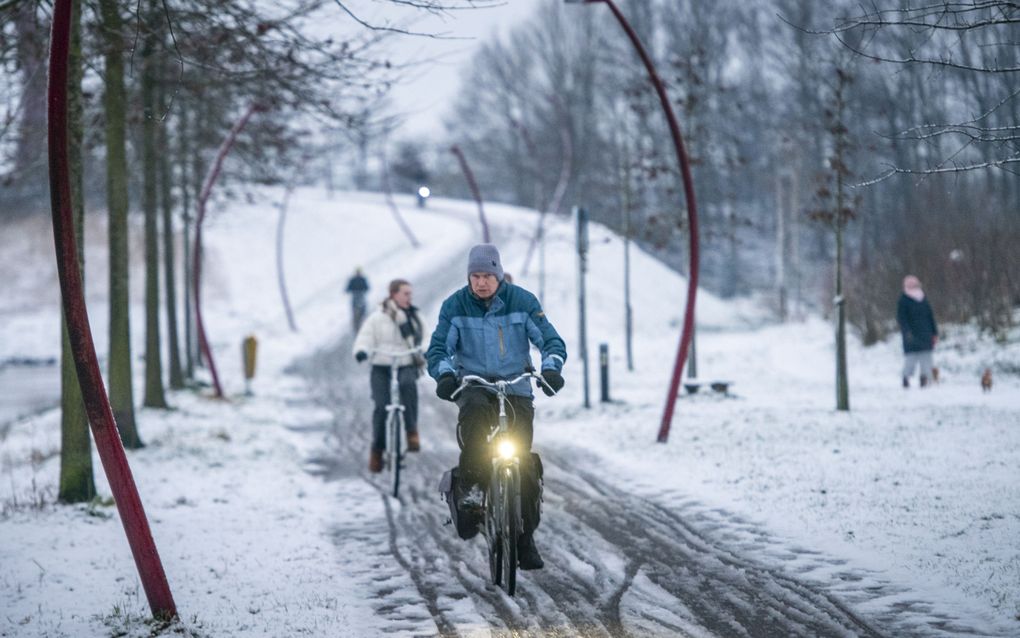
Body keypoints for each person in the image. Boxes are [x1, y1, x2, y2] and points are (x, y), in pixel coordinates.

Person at [427, 244, 566, 570]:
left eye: (487, 275)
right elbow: (438, 349)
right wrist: (445, 375)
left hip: (516, 387)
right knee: (474, 422)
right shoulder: (455, 306)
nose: (481, 282)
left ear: (498, 274)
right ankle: (474, 489)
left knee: (525, 464)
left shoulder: (523, 301)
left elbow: (550, 340)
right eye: (475, 276)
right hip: (474, 386)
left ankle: (525, 537)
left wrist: (551, 368)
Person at [353, 279, 427, 472]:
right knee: (381, 405)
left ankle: (412, 431)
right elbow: (365, 337)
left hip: (405, 361)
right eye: (405, 293)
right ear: (394, 294)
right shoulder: (377, 318)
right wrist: (362, 350)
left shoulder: (415, 316)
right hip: (381, 365)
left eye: (410, 294)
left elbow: (427, 336)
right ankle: (377, 450)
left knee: (408, 386)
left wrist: (427, 350)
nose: (409, 297)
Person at [897, 275, 938, 388]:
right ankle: (906, 378)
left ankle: (924, 378)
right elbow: (902, 318)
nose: (913, 287)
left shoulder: (923, 298)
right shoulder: (903, 300)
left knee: (926, 358)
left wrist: (934, 333)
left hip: (926, 333)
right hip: (911, 335)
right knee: (911, 359)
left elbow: (930, 316)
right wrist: (907, 332)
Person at [345, 268, 370, 332]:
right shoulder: (353, 280)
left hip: (361, 297)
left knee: (363, 313)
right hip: (355, 298)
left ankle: (362, 327)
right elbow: (347, 289)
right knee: (355, 314)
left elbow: (367, 288)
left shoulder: (362, 279)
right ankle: (356, 328)